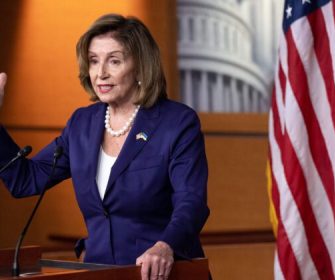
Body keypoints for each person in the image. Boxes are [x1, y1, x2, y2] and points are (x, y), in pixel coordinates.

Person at [0, 14, 209, 280]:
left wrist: (165, 246)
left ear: (141, 67)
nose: (101, 73)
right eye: (94, 61)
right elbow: (25, 180)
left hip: (160, 272)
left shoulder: (177, 123)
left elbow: (191, 202)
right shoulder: (81, 124)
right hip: (99, 271)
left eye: (114, 61)